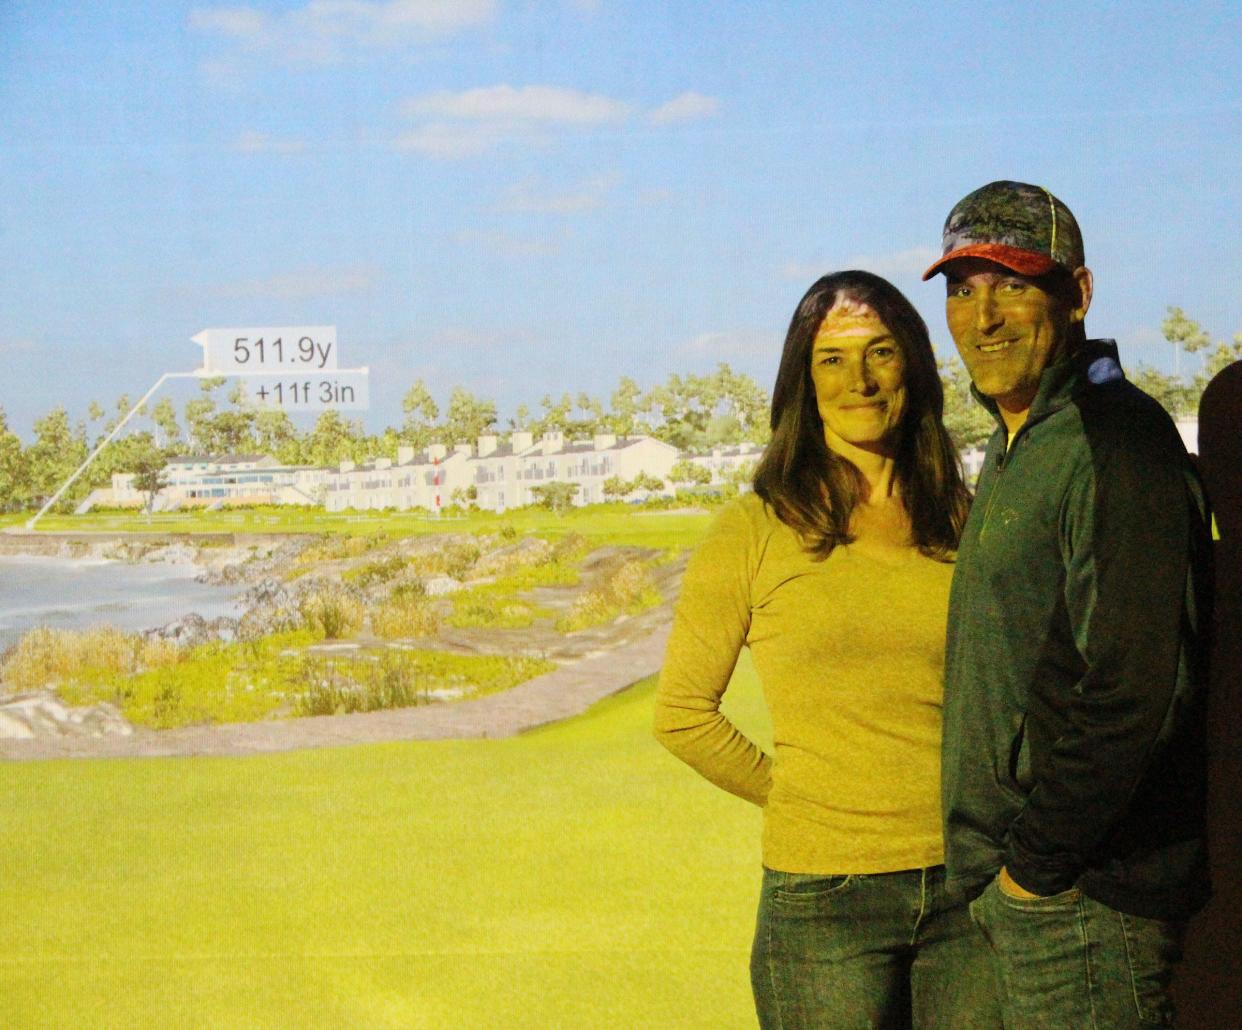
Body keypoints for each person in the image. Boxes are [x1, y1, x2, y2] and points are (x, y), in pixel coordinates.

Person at [654, 270, 1000, 1028]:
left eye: (880, 353)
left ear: (912, 361)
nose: (861, 381)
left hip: (968, 890)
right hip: (824, 902)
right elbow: (681, 714)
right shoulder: (754, 528)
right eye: (833, 360)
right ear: (803, 384)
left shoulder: (964, 516)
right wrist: (799, 797)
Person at [923, 180, 1213, 1027]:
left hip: (1084, 904)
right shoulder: (1017, 444)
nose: (986, 317)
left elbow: (1138, 689)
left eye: (1015, 284)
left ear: (1078, 294)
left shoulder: (1115, 441)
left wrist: (1033, 872)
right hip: (1028, 896)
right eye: (964, 291)